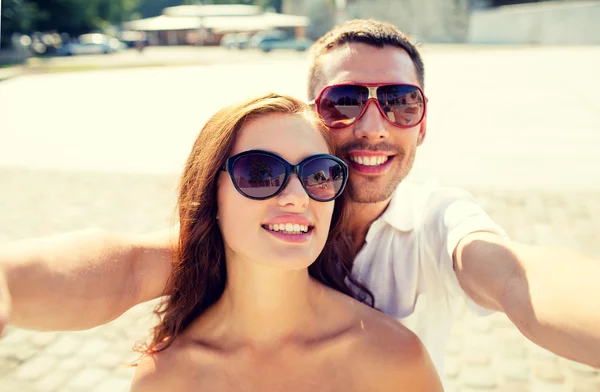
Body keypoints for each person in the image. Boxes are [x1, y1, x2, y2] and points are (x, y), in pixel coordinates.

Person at [1, 18, 599, 378]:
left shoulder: (437, 221)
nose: (373, 126)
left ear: (422, 124)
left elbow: (520, 279)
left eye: (400, 102)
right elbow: (131, 266)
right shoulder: (263, 208)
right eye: (344, 101)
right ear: (311, 115)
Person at [129, 93, 442, 390]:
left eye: (319, 174)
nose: (297, 197)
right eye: (260, 173)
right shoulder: (165, 376)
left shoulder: (394, 358)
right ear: (212, 193)